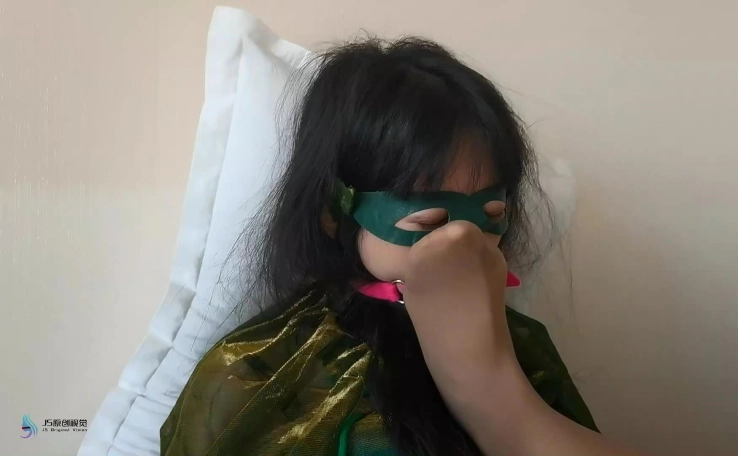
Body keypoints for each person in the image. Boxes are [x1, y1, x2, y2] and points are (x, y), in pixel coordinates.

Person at [160, 37, 629, 456]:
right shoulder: (261, 367)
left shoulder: (522, 346)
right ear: (335, 211)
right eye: (426, 220)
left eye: (490, 215)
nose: (465, 243)